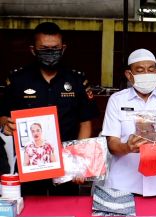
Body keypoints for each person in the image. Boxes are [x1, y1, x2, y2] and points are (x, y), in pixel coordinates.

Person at [0, 22, 99, 195]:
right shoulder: (18, 79)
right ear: (33, 50)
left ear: (63, 48)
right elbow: (3, 115)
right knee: (28, 214)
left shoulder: (76, 80)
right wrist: (6, 124)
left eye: (55, 48)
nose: (50, 53)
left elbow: (85, 123)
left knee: (66, 213)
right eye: (44, 49)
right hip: (29, 164)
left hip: (66, 164)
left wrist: (78, 161)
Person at [102, 48, 156, 197]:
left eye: (150, 70)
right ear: (129, 75)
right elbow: (112, 145)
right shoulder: (117, 100)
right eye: (140, 70)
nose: (146, 74)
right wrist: (127, 147)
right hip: (124, 185)